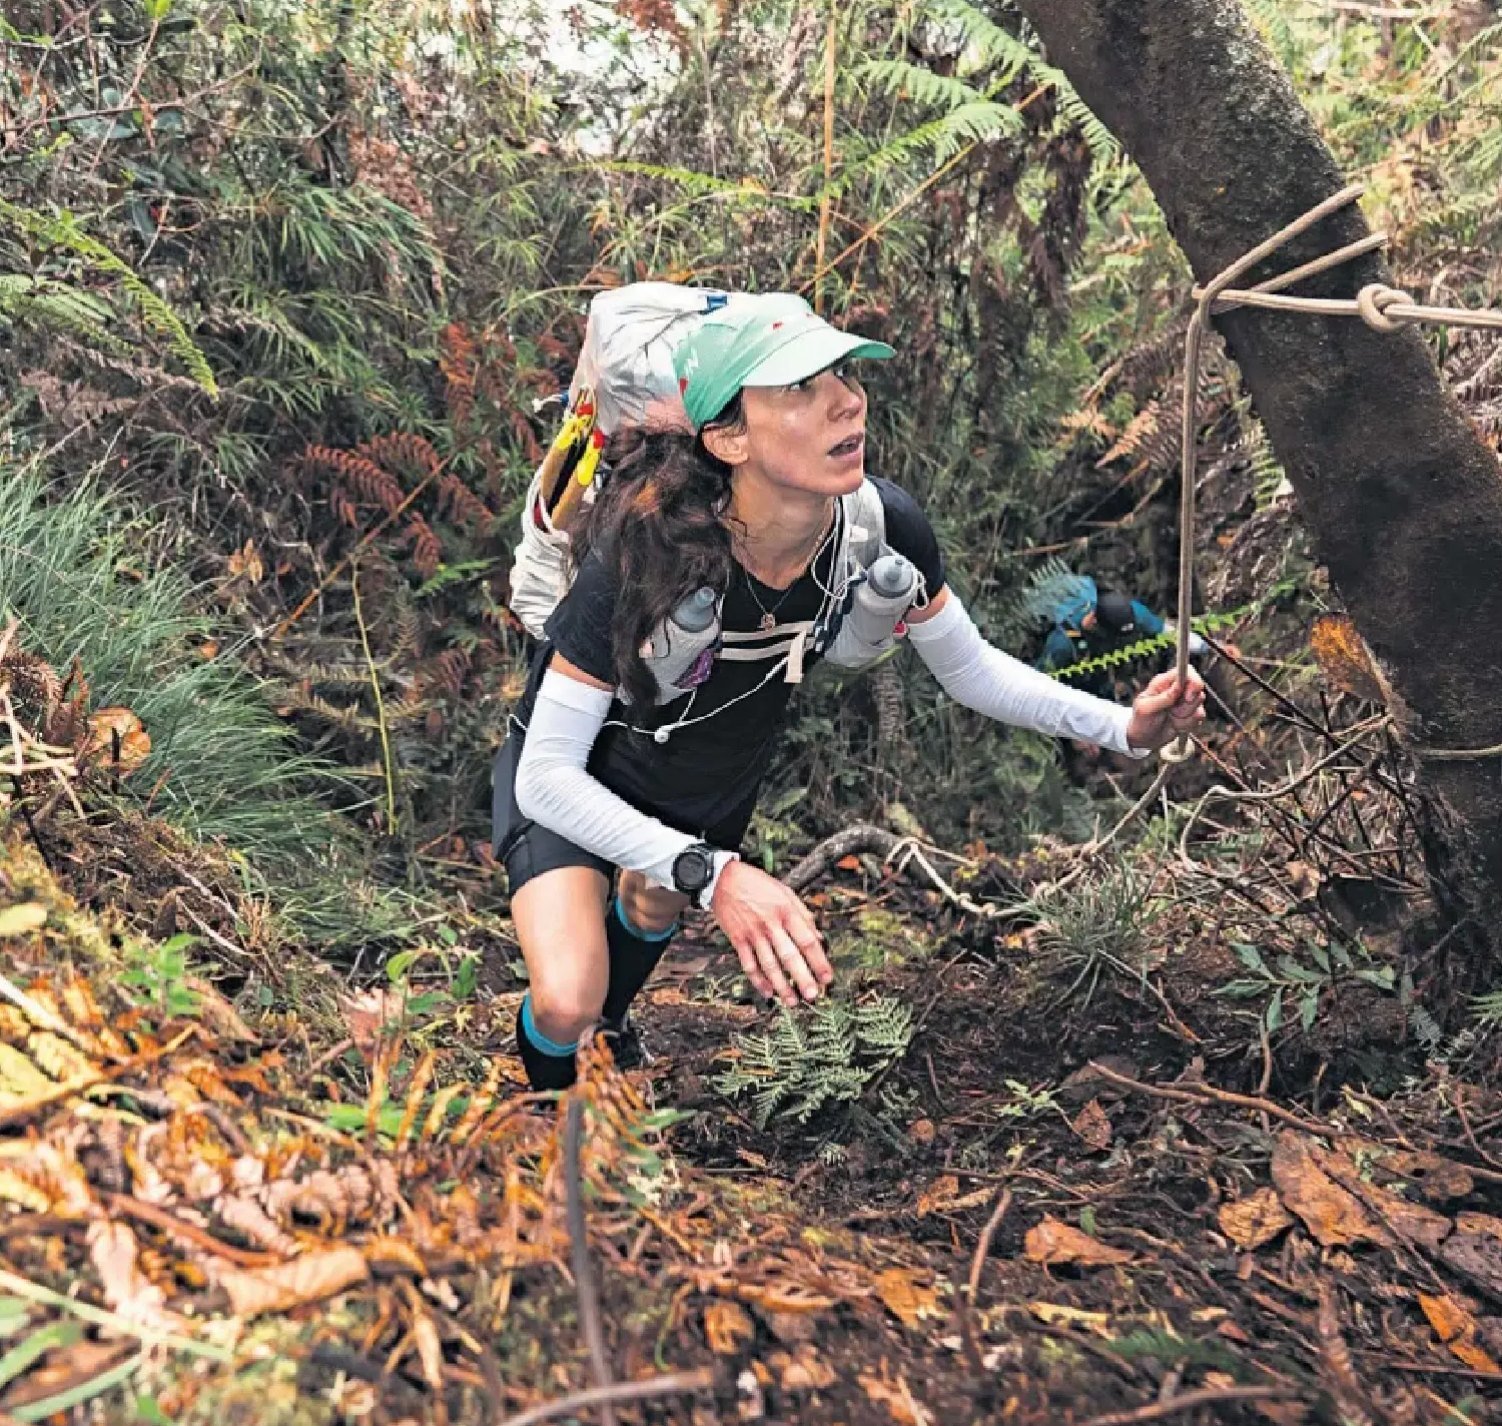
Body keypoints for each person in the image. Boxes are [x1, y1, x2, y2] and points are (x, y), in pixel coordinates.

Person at [493, 294, 1205, 1091]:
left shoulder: (879, 526)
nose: (847, 401)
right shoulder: (646, 544)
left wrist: (1126, 728)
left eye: (843, 375)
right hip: (579, 772)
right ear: (729, 438)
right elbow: (547, 774)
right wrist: (717, 875)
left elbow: (969, 669)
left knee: (651, 911)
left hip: (706, 781)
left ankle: (614, 1033)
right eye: (800, 387)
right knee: (567, 998)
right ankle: (550, 1119)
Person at [1036, 577, 1204, 697]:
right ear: (1093, 622)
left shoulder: (1133, 613)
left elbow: (1167, 632)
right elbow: (1040, 682)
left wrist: (1207, 647)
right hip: (1046, 616)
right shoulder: (1062, 643)